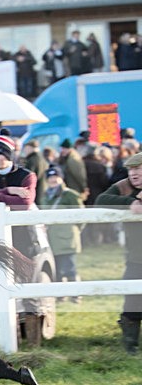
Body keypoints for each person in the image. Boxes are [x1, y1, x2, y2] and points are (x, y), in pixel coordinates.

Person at [0, 133, 43, 344]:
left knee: (29, 291)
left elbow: (24, 204)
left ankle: (34, 344)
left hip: (25, 240)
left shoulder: (27, 175)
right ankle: (12, 341)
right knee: (5, 291)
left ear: (7, 154)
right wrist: (10, 193)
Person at [95, 152, 142, 354]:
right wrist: (130, 203)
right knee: (132, 301)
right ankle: (130, 346)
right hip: (136, 257)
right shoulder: (123, 187)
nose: (134, 173)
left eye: (138, 169)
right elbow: (100, 200)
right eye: (131, 169)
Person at [39, 166, 84, 299]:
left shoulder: (70, 195)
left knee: (70, 269)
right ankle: (60, 295)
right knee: (57, 270)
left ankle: (75, 295)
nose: (53, 180)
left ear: (61, 178)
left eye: (55, 177)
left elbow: (81, 216)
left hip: (67, 239)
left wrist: (73, 230)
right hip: (51, 239)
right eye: (50, 177)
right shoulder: (45, 196)